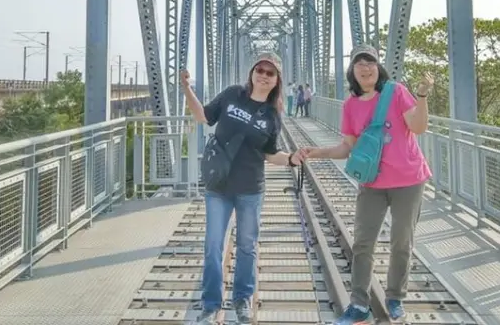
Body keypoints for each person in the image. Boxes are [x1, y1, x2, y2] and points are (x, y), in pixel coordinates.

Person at [298, 44, 434, 324]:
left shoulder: (395, 92)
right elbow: (347, 147)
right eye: (359, 63)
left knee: (401, 242)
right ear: (352, 70)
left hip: (408, 179)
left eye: (370, 62)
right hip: (372, 182)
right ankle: (359, 304)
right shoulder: (350, 105)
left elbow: (419, 127)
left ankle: (395, 297)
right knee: (363, 242)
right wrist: (315, 152)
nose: (366, 67)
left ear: (378, 66)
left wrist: (421, 96)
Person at [180, 52, 305, 324]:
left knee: (247, 246)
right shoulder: (232, 94)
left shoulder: (272, 115)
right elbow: (203, 116)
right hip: (219, 186)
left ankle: (241, 299)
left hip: (250, 188)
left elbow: (271, 154)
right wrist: (186, 88)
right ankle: (211, 305)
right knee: (213, 245)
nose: (263, 75)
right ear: (251, 73)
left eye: (270, 73)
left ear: (276, 81)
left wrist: (292, 159)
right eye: (259, 69)